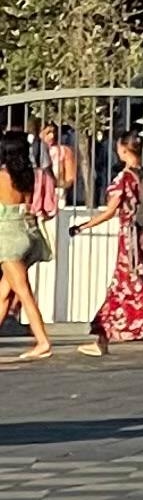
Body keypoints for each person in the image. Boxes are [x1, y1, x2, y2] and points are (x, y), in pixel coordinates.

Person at [74, 127, 143, 359]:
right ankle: (101, 338)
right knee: (122, 288)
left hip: (130, 240)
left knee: (137, 287)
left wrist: (84, 226)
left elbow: (111, 210)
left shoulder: (124, 178)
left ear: (123, 150)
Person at [0, 144, 55, 359]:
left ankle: (42, 341)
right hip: (27, 233)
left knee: (23, 291)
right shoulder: (28, 176)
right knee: (5, 292)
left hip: (7, 238)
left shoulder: (2, 177)